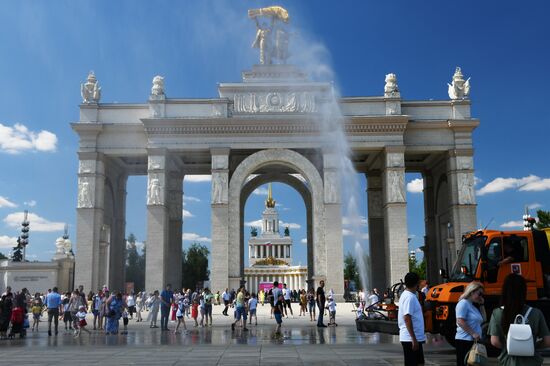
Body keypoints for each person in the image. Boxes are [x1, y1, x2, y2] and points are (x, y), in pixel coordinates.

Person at [489, 274, 550, 365]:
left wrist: (511, 347)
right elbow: (547, 341)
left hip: (508, 361)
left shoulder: (497, 313)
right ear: (524, 291)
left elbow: (494, 341)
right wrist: (530, 346)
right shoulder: (536, 313)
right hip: (531, 361)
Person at [398, 272, 426, 366]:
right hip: (410, 339)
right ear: (416, 284)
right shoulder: (409, 297)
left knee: (420, 363)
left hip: (414, 338)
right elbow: (407, 318)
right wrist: (413, 338)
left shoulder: (409, 295)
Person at [455, 281, 485, 366]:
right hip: (464, 340)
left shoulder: (472, 305)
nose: (480, 297)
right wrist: (473, 333)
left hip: (473, 341)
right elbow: (460, 321)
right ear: (472, 292)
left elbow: (484, 319)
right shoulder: (463, 303)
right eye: (479, 294)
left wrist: (482, 305)